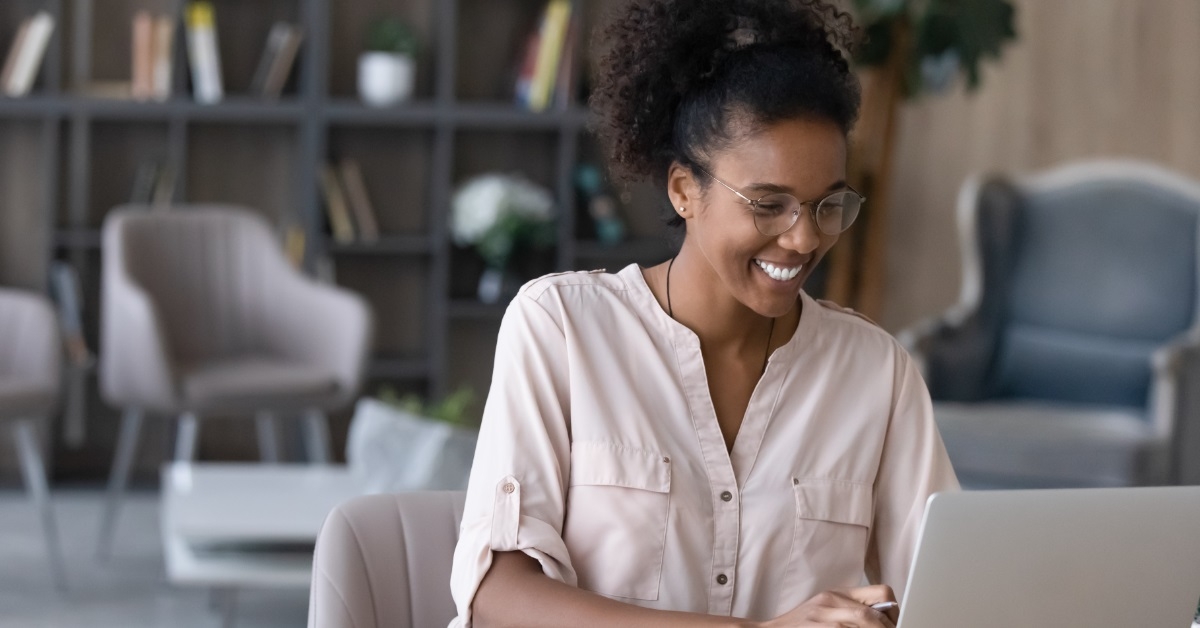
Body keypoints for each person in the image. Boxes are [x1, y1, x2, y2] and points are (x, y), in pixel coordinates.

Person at [448, 0, 958, 626]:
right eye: (768, 205)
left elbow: (943, 592)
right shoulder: (561, 328)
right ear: (684, 190)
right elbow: (496, 592)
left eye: (827, 206)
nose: (803, 239)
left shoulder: (875, 372)